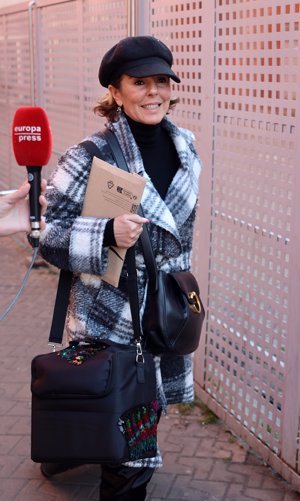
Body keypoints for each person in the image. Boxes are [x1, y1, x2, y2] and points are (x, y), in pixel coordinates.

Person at [39, 35, 202, 501]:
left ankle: (67, 447)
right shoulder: (91, 154)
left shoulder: (186, 146)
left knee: (127, 410)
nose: (153, 92)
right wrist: (107, 234)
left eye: (161, 81)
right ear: (115, 91)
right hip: (112, 313)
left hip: (165, 308)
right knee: (133, 430)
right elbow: (49, 238)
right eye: (139, 82)